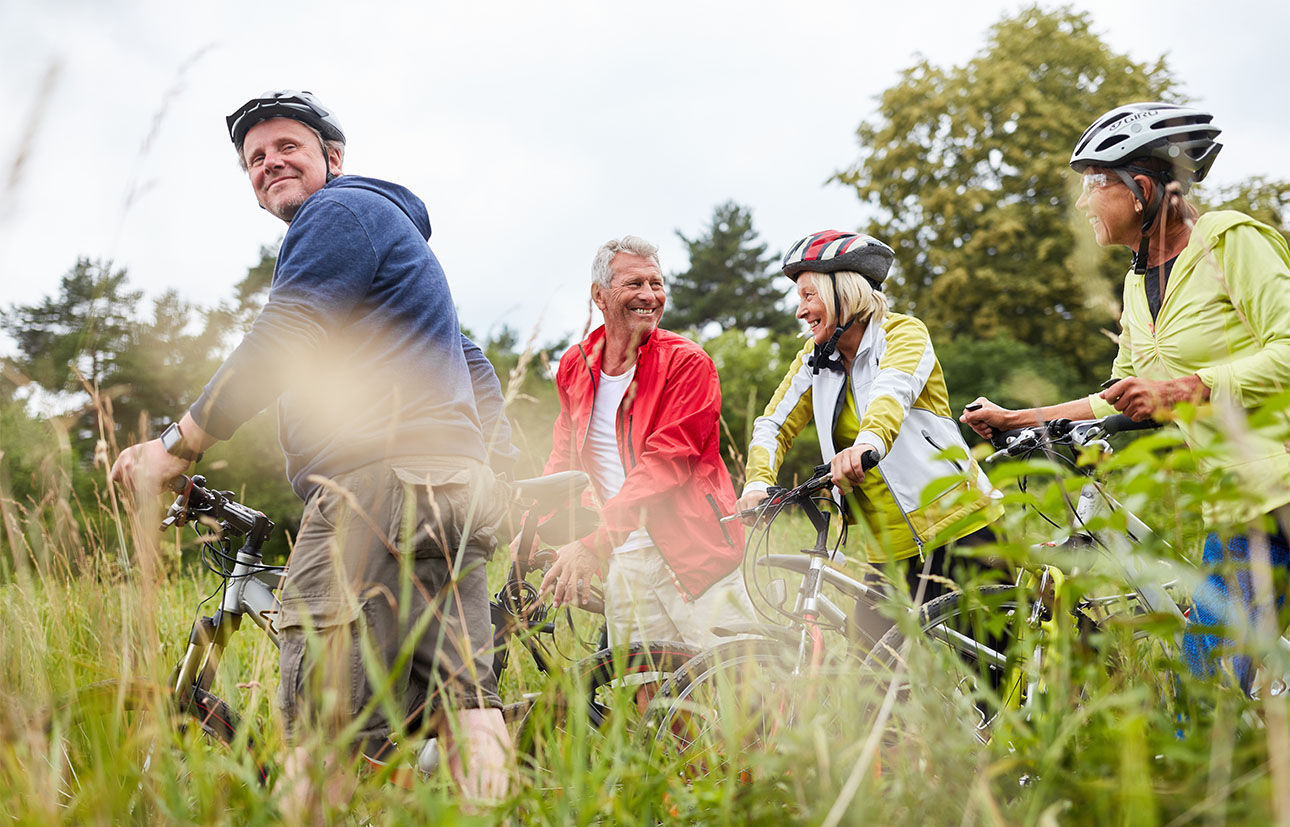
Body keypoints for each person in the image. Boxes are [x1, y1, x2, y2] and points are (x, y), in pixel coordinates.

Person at [110, 90, 516, 812]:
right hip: (449, 490)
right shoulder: (388, 233)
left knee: (319, 724)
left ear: (333, 157)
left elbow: (284, 336)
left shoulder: (340, 214)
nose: (269, 164)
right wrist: (490, 468)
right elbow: (473, 361)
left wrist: (177, 445)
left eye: (287, 147)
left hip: (374, 487)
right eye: (254, 159)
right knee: (467, 704)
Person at [960, 102, 1290, 691]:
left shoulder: (1229, 241)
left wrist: (1193, 387)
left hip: (1277, 493)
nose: (1084, 201)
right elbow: (1120, 396)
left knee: (1202, 683)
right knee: (1215, 679)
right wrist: (1021, 418)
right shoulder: (1138, 284)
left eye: (1094, 184)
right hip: (1233, 499)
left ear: (1140, 189)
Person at [738, 230, 1001, 612]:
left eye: (809, 296)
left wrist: (867, 444)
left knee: (990, 664)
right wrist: (758, 482)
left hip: (963, 526)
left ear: (842, 293)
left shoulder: (903, 334)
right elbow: (772, 425)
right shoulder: (813, 360)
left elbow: (891, 394)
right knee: (874, 667)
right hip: (888, 549)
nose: (800, 311)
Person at [534, 236, 757, 651]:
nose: (649, 296)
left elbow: (665, 464)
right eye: (634, 283)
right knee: (645, 699)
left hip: (695, 556)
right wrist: (535, 523)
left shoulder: (688, 362)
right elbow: (564, 459)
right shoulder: (574, 364)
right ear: (600, 295)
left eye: (656, 283)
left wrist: (594, 543)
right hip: (625, 560)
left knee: (740, 691)